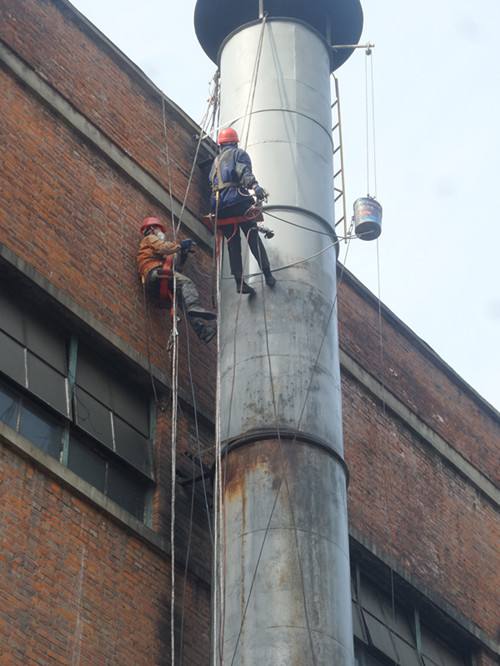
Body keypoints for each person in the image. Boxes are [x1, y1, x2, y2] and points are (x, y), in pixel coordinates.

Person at [209, 127, 275, 296]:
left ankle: (239, 281)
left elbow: (212, 181)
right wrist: (255, 186)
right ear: (235, 142)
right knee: (252, 234)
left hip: (218, 206)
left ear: (221, 144)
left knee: (232, 241)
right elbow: (244, 172)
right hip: (237, 200)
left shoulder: (215, 161)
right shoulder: (238, 154)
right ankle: (267, 274)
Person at [137, 217, 216, 343]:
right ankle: (194, 307)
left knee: (183, 299)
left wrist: (183, 253)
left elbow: (175, 267)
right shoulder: (150, 239)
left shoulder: (154, 250)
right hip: (154, 273)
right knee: (186, 282)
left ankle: (203, 331)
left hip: (156, 278)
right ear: (152, 229)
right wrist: (179, 246)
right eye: (158, 229)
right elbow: (163, 248)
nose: (161, 232)